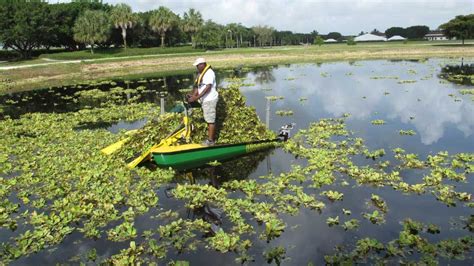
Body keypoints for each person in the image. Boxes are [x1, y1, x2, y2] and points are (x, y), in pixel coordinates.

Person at [187, 58, 218, 146]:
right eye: (196, 66)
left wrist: (196, 98)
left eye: (198, 65)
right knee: (207, 118)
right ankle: (209, 138)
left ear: (203, 64)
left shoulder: (209, 73)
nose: (197, 67)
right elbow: (198, 87)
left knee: (210, 120)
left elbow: (207, 88)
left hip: (210, 99)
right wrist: (193, 95)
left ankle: (211, 141)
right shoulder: (200, 74)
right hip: (204, 100)